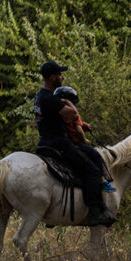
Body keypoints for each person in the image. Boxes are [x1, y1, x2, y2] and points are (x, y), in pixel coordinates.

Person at [33, 61, 113, 226]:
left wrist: (82, 125)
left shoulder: (39, 97)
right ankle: (94, 212)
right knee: (92, 170)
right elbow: (71, 114)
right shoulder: (50, 98)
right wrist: (70, 105)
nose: (62, 77)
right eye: (60, 75)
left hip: (45, 143)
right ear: (52, 77)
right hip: (60, 145)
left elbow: (58, 118)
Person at [53, 85, 116, 192]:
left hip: (61, 142)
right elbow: (78, 130)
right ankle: (102, 181)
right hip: (75, 143)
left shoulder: (58, 113)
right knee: (96, 156)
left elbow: (72, 126)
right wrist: (84, 140)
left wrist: (82, 124)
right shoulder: (74, 113)